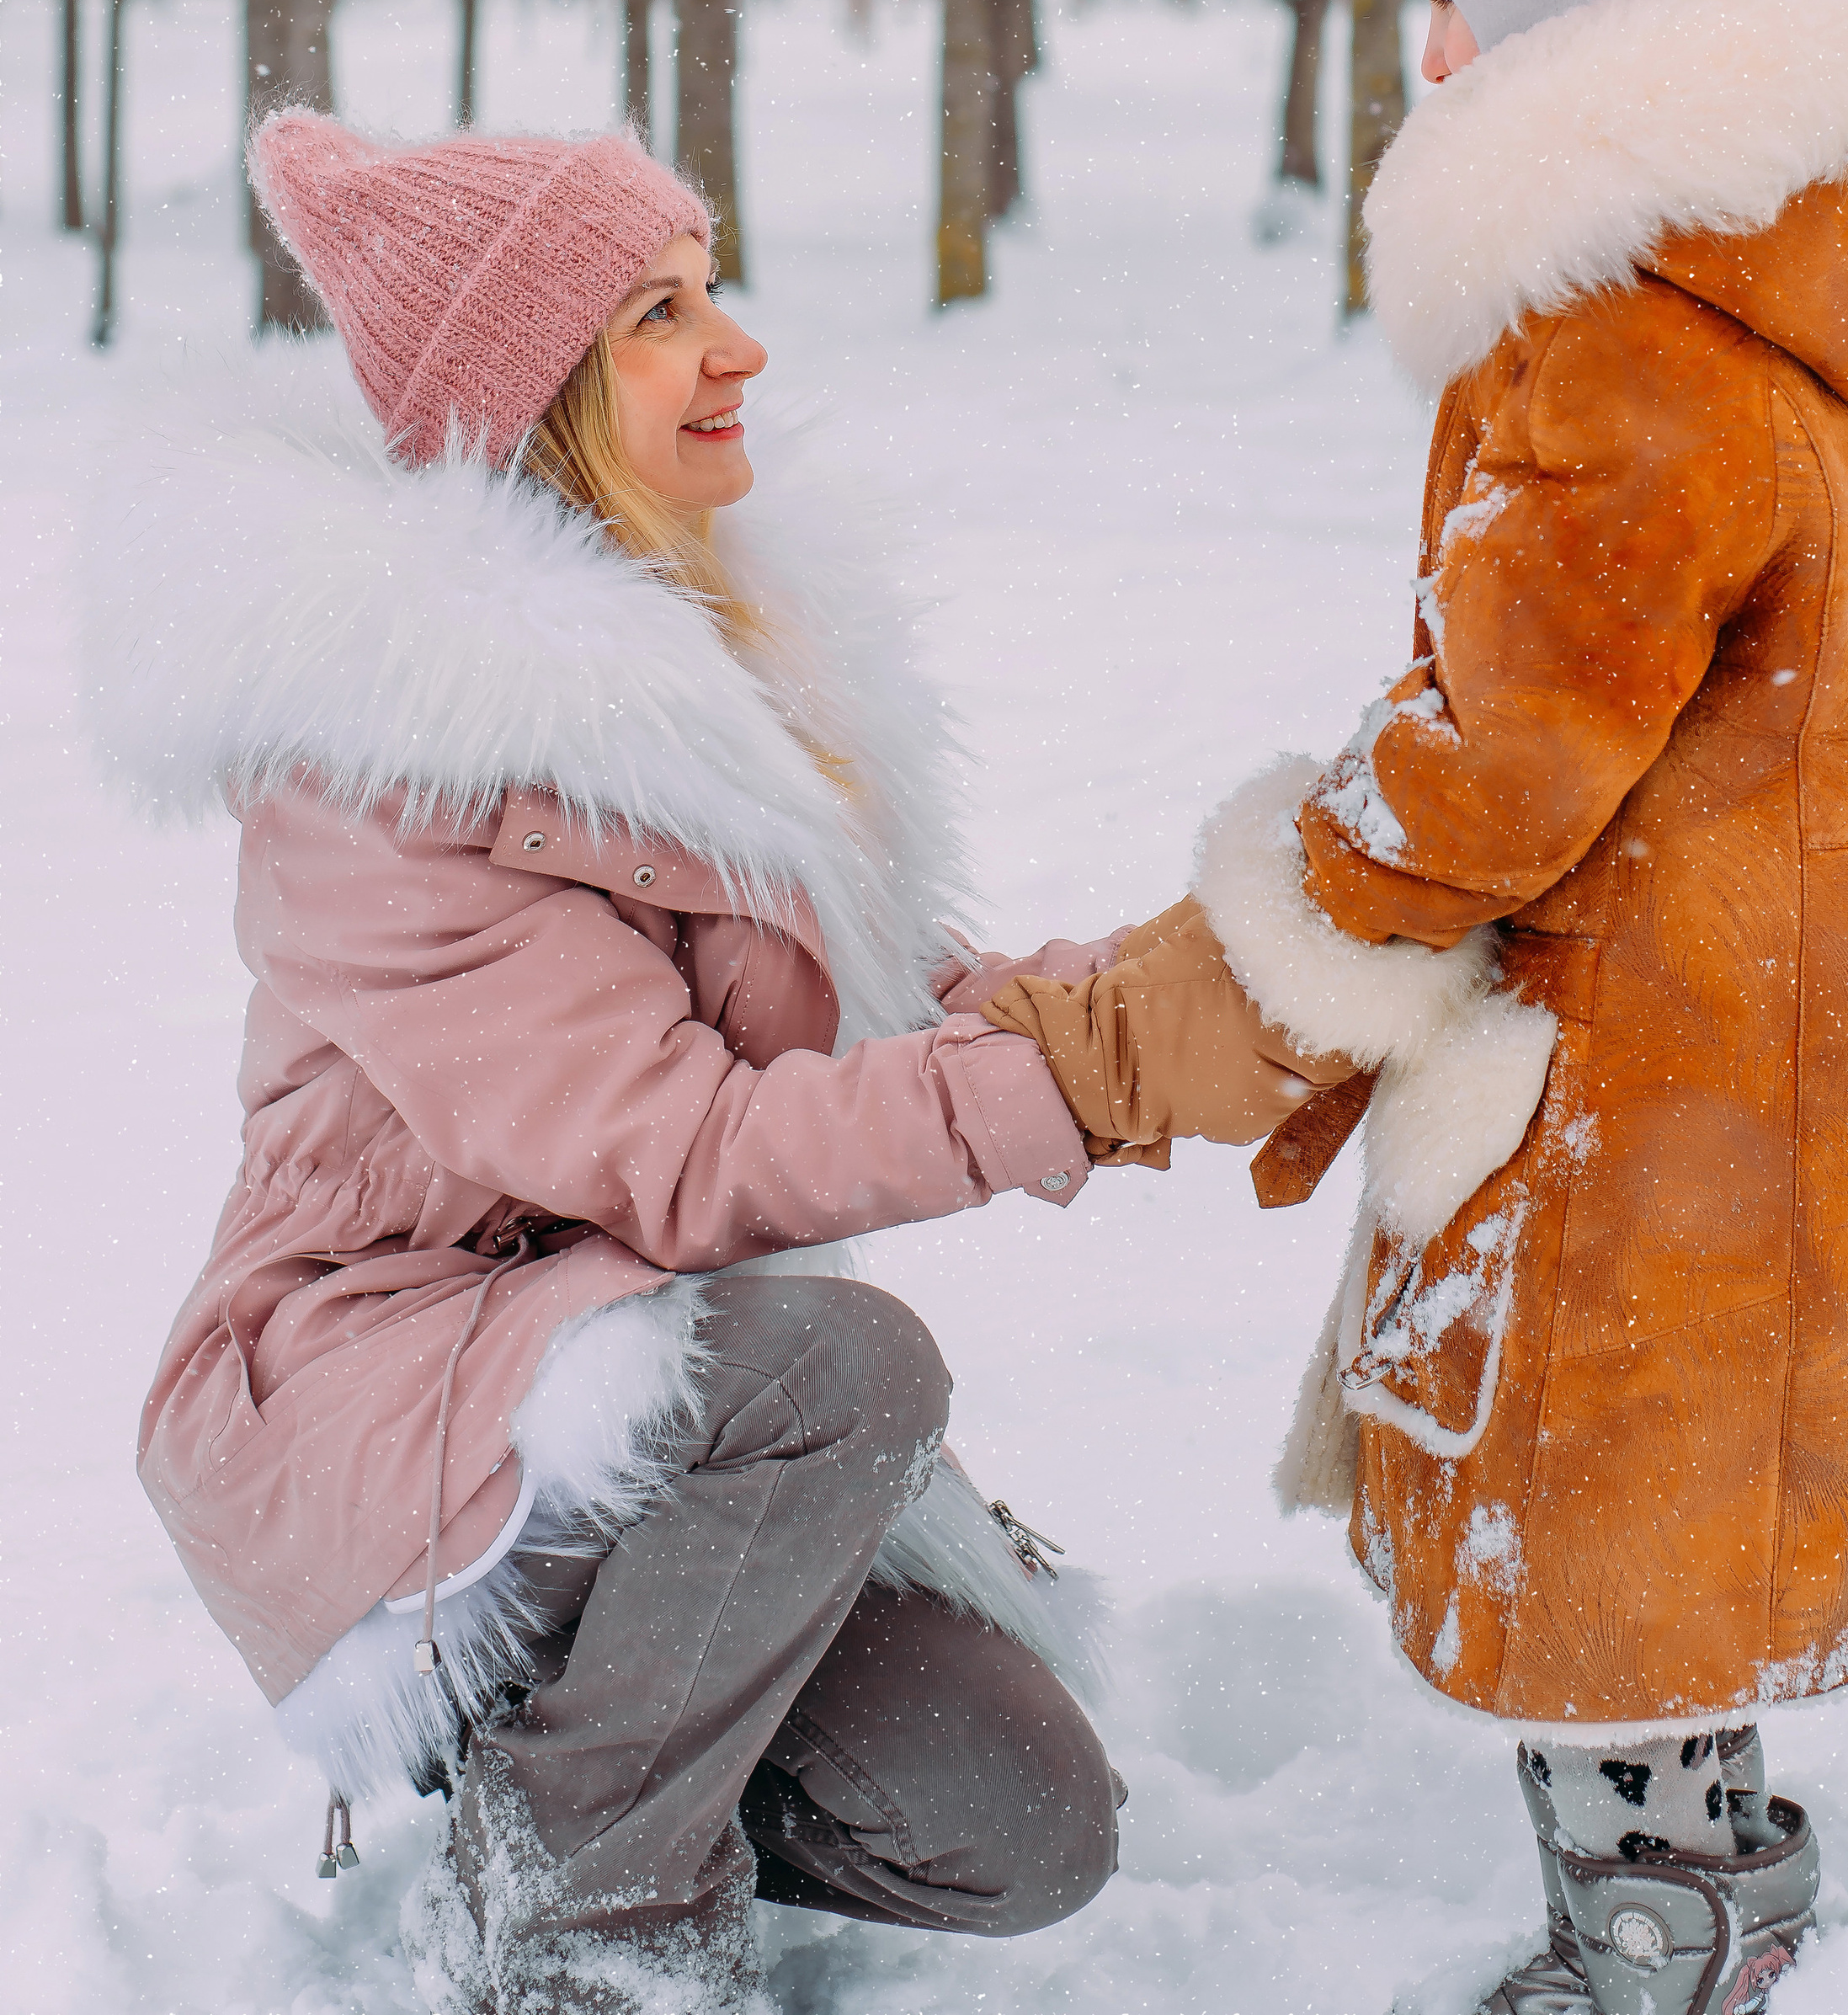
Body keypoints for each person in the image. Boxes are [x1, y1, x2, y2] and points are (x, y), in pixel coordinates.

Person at [107, 115, 1330, 2012]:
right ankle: (581, 1909)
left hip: (651, 1416)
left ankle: (589, 1755)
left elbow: (867, 988)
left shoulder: (680, 660)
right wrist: (1082, 1081)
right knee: (842, 1369)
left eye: (712, 284)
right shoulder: (378, 775)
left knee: (1017, 1829)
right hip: (389, 1395)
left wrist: (1195, 994)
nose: (737, 345)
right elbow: (680, 1155)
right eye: (663, 311)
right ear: (544, 389)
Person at [1178, 0, 1848, 2012]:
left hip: (1648, 1037)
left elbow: (1519, 739)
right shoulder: (1811, 274)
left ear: (1567, 7)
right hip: (1821, 978)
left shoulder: (1621, 325)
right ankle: (1725, 1843)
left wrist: (1325, 880)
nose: (1427, 43)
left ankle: (1653, 1925)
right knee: (1726, 1479)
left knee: (1604, 1500)